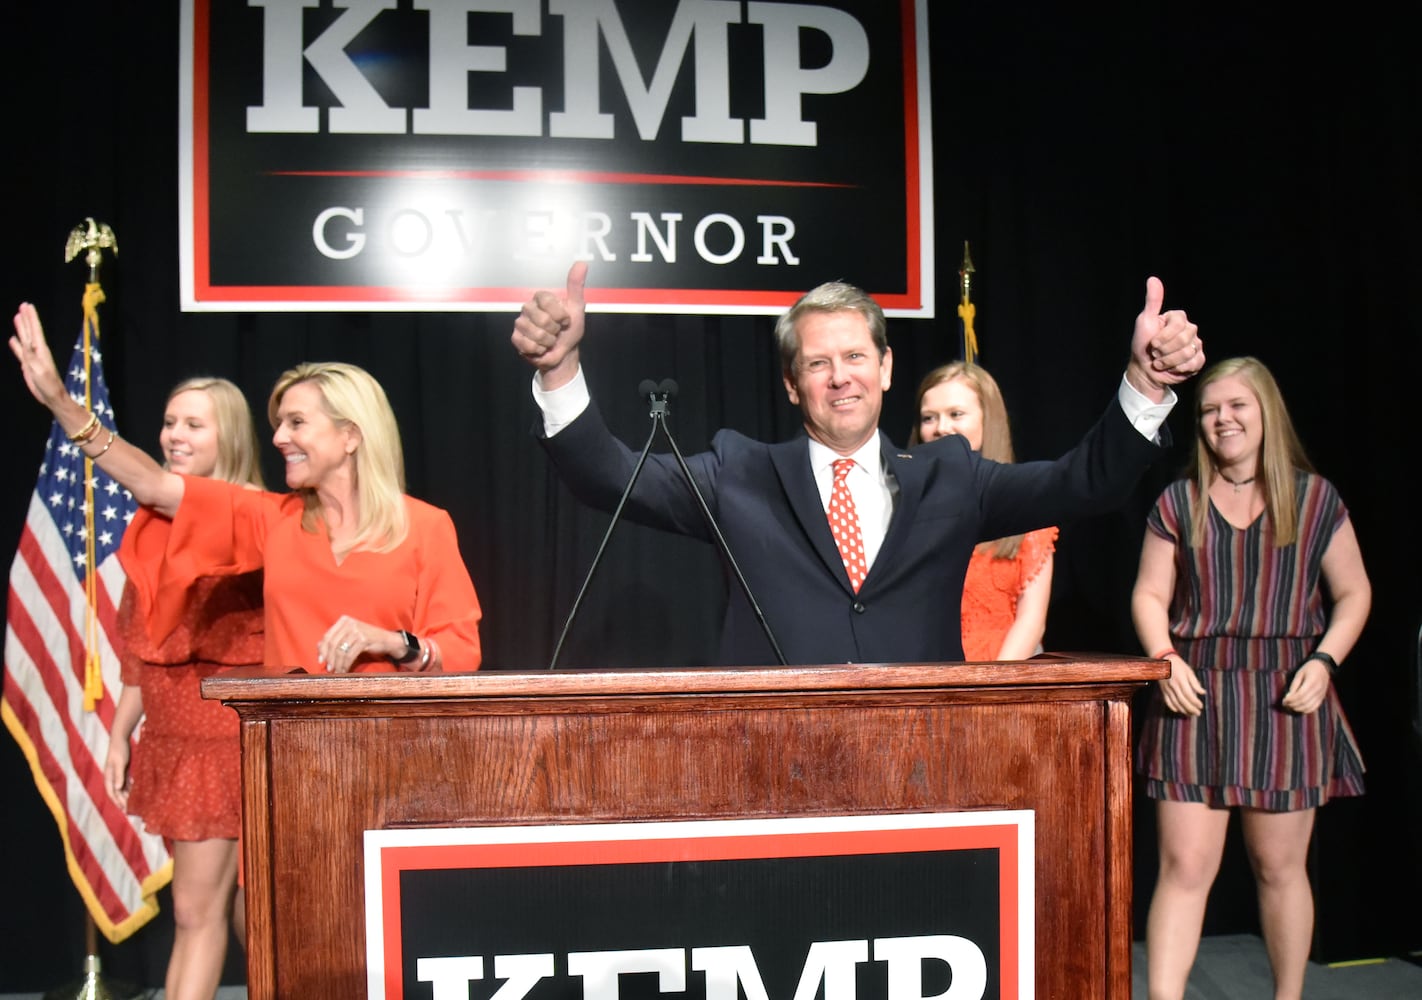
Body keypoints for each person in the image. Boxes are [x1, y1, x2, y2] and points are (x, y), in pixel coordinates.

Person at [510, 262, 1203, 666]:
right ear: (791, 384)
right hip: (775, 772)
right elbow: (606, 474)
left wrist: (1145, 388)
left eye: (855, 358)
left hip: (920, 766)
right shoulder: (738, 474)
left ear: (887, 367)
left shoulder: (952, 475)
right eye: (817, 363)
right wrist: (561, 367)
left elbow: (1084, 482)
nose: (840, 377)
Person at [11, 302, 484, 674]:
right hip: (292, 754)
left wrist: (392, 642)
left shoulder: (424, 527)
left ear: (351, 435)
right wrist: (62, 404)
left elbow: (461, 652)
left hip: (394, 755)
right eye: (279, 423)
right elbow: (154, 485)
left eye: (297, 422)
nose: (278, 437)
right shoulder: (272, 519)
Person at [1131, 356, 1370, 1000]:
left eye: (1237, 406)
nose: (1222, 420)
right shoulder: (1178, 502)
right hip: (1194, 694)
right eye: (1209, 410)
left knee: (1279, 867)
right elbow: (1150, 595)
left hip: (1285, 694)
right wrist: (1165, 659)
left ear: (1267, 413)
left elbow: (1354, 594)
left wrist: (1324, 662)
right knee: (1183, 868)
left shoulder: (1314, 498)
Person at [105, 376, 264, 1000]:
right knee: (237, 915)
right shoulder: (151, 528)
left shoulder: (251, 516)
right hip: (173, 740)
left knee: (198, 917)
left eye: (193, 424)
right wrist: (122, 731)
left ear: (228, 433)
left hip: (221, 745)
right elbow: (144, 651)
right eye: (171, 422)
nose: (174, 436)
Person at [909, 361, 1058, 661]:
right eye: (929, 418)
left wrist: (987, 691)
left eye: (956, 414)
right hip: (924, 677)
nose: (941, 428)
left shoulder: (1026, 513)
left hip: (1000, 680)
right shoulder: (903, 510)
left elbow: (1031, 622)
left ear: (987, 420)